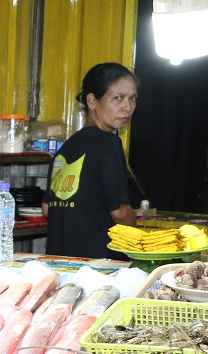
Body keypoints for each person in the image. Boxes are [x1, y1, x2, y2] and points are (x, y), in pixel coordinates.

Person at [43, 63, 138, 260]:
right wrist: (140, 241)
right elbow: (120, 212)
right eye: (118, 98)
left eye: (132, 98)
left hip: (60, 263)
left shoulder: (66, 148)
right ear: (92, 101)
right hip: (100, 265)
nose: (127, 107)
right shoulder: (109, 143)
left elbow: (47, 208)